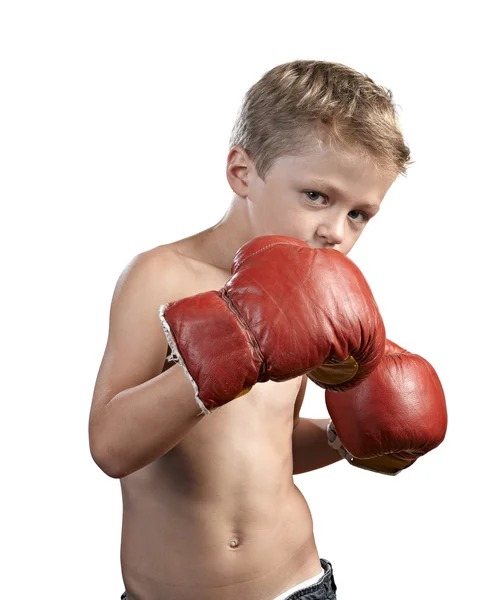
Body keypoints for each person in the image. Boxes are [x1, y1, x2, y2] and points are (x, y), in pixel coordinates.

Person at [88, 60, 447, 600]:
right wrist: (229, 346)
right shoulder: (161, 276)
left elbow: (266, 449)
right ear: (242, 172)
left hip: (298, 584)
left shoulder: (313, 297)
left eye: (360, 215)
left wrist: (343, 438)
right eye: (317, 196)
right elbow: (111, 448)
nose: (335, 232)